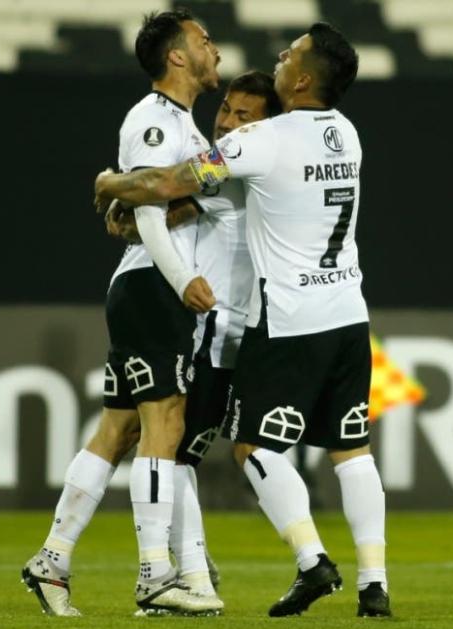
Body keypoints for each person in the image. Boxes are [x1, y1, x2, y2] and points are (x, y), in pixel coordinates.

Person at [94, 23, 392, 619]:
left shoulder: (261, 140)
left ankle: (313, 561)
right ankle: (374, 585)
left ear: (301, 80)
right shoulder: (348, 134)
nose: (280, 56)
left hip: (289, 318)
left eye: (291, 54)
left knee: (252, 447)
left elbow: (165, 181)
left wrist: (110, 182)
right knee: (352, 449)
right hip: (348, 313)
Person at [20, 9, 223, 617]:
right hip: (155, 287)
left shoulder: (184, 124)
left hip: (145, 287)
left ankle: (52, 560)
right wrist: (183, 279)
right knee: (166, 423)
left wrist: (118, 188)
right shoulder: (154, 119)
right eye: (203, 39)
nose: (213, 47)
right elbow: (150, 212)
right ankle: (155, 573)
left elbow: (155, 199)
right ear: (177, 56)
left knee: (119, 429)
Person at [102, 70, 283, 598]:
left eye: (243, 115)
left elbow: (158, 190)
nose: (226, 121)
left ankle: (190, 568)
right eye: (225, 108)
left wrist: (109, 184)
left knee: (173, 448)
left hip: (223, 331)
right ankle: (192, 572)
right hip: (221, 333)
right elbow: (165, 204)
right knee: (175, 448)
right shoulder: (261, 167)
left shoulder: (233, 166)